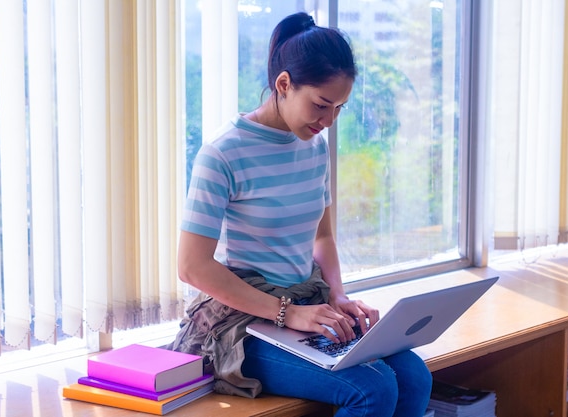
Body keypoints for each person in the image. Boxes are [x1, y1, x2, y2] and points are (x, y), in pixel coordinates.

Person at [170, 12, 432, 417]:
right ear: (284, 84)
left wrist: (339, 295)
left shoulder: (314, 149)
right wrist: (286, 313)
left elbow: (322, 237)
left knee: (416, 377)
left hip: (306, 304)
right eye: (321, 105)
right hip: (244, 322)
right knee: (373, 390)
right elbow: (192, 267)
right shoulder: (223, 154)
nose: (328, 122)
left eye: (340, 108)